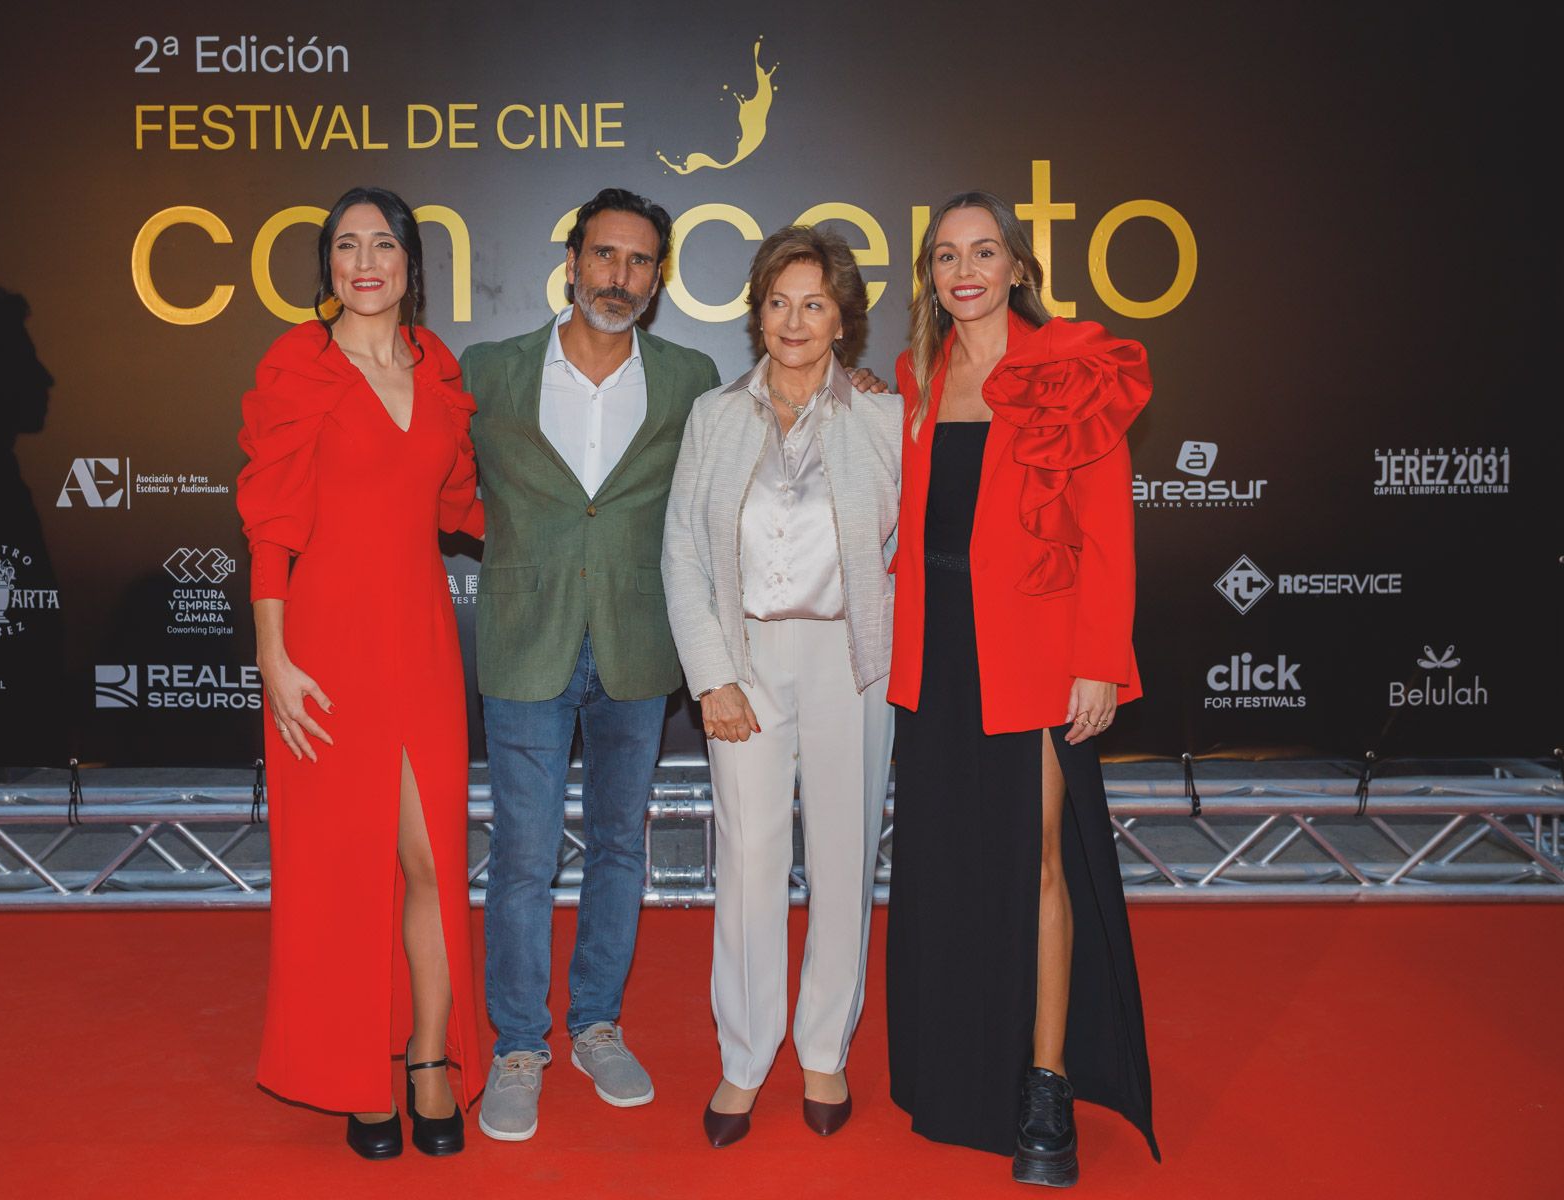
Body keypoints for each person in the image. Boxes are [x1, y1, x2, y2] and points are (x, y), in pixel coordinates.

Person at [883, 191, 1160, 1188]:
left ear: (1017, 267)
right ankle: (961, 1066)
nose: (965, 271)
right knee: (949, 863)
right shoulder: (919, 375)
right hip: (936, 659)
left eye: (984, 251)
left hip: (1036, 657)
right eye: (946, 255)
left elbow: (1108, 526)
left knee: (1039, 863)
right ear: (929, 275)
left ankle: (1047, 1081)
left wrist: (1100, 660)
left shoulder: (1069, 368)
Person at [460, 187, 721, 1142]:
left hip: (636, 644)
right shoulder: (489, 371)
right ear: (572, 262)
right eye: (605, 255)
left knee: (619, 845)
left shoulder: (692, 378)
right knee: (524, 854)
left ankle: (597, 1023)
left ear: (658, 279)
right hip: (525, 640)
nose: (620, 276)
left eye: (640, 261)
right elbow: (427, 468)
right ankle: (519, 1044)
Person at [236, 186, 485, 1160]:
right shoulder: (298, 365)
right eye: (347, 246)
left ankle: (427, 1060)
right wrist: (272, 655)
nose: (365, 262)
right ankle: (355, 1075)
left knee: (431, 863)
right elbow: (271, 525)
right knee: (342, 873)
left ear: (411, 263)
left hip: (421, 643)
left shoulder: (438, 366)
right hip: (326, 649)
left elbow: (463, 501)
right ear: (328, 266)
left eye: (383, 244)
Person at [662, 226, 900, 1147]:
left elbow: (911, 546)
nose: (793, 322)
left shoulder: (884, 418)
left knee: (844, 859)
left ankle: (825, 1049)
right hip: (747, 661)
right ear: (756, 313)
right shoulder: (715, 416)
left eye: (814, 304)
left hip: (852, 663)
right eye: (777, 302)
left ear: (843, 321)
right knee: (749, 863)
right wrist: (714, 675)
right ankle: (744, 1058)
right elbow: (683, 552)